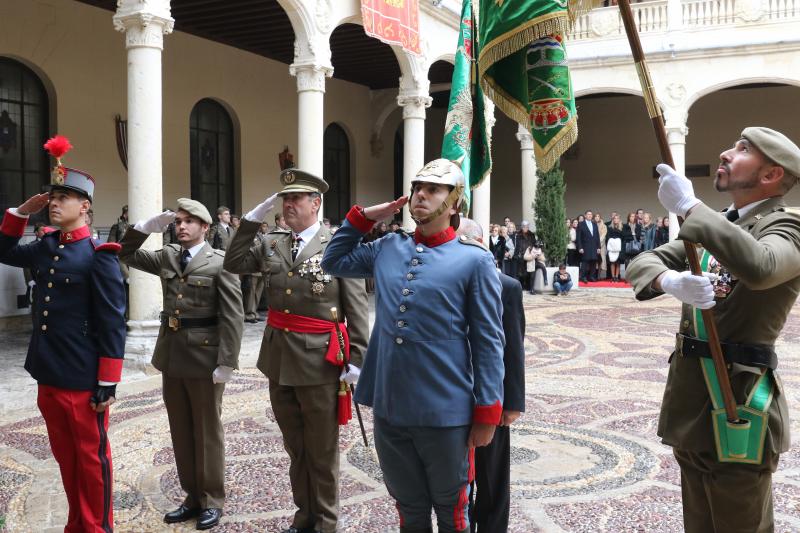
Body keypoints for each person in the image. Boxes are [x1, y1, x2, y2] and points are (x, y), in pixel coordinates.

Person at [626, 127, 800, 533]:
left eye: (742, 150)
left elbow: (761, 266)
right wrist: (666, 281)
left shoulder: (788, 228)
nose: (725, 153)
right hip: (691, 401)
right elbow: (646, 260)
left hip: (738, 401)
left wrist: (690, 206)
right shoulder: (718, 224)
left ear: (771, 175)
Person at [321, 159, 505, 533]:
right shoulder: (389, 247)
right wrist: (363, 218)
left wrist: (488, 412)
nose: (421, 194)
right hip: (390, 405)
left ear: (454, 203)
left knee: (452, 511)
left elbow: (488, 342)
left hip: (446, 410)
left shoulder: (475, 260)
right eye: (418, 187)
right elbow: (334, 261)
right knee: (409, 509)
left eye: (434, 189)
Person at [224, 169, 369, 533]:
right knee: (296, 448)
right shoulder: (272, 243)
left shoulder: (338, 245)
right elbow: (233, 263)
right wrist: (250, 223)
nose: (288, 205)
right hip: (279, 360)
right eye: (285, 199)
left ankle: (326, 523)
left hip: (321, 363)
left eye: (296, 199)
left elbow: (357, 310)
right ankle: (304, 516)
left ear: (315, 203)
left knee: (321, 451)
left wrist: (357, 361)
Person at [0, 136, 126, 533]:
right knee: (66, 457)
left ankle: (97, 527)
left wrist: (108, 381)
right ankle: (78, 523)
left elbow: (112, 321)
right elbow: (3, 250)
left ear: (84, 206)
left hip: (82, 376)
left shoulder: (99, 256)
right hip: (47, 371)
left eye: (63, 198)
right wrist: (20, 212)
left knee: (91, 459)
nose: (53, 204)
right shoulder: (46, 246)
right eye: (51, 197)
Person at [119, 199, 243, 530]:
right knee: (181, 430)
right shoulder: (168, 255)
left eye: (191, 221)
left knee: (207, 431)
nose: (182, 226)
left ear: (206, 228)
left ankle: (213, 498)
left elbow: (233, 316)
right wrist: (144, 228)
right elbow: (126, 253)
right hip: (172, 355)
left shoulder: (221, 262)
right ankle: (192, 496)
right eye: (179, 221)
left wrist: (227, 362)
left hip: (205, 358)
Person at [456, 218, 524, 533]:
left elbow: (513, 348)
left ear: (482, 245)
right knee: (456, 474)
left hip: (492, 395)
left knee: (492, 476)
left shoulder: (506, 286)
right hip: (453, 394)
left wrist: (512, 402)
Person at [576, 209, 601, 282]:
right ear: (585, 215)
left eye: (591, 214)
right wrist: (580, 247)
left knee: (593, 261)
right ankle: (583, 277)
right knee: (585, 262)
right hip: (585, 246)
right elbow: (579, 237)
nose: (590, 215)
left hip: (594, 246)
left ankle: (591, 276)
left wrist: (599, 247)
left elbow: (597, 236)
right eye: (588, 214)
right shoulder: (581, 224)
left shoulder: (594, 224)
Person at [514, 221, 535, 290]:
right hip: (521, 255)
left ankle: (528, 286)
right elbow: (517, 246)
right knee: (521, 272)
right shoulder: (518, 235)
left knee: (529, 271)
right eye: (524, 226)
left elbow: (533, 243)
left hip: (529, 255)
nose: (525, 228)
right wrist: (516, 255)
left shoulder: (531, 235)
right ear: (521, 227)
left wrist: (532, 250)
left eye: (526, 227)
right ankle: (522, 286)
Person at [605, 214, 624, 282]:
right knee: (612, 262)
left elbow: (623, 237)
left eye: (617, 218)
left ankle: (616, 277)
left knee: (618, 263)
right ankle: (613, 277)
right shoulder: (609, 227)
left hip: (619, 247)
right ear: (613, 220)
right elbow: (608, 237)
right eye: (614, 218)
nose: (616, 220)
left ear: (619, 220)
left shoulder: (622, 227)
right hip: (612, 248)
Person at [594, 212, 608, 279]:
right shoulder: (592, 224)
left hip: (601, 245)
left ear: (600, 217)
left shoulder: (604, 226)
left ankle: (598, 276)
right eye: (595, 216)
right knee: (594, 260)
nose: (597, 217)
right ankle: (593, 275)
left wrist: (598, 243)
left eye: (598, 216)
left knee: (600, 261)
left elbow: (603, 235)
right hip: (593, 245)